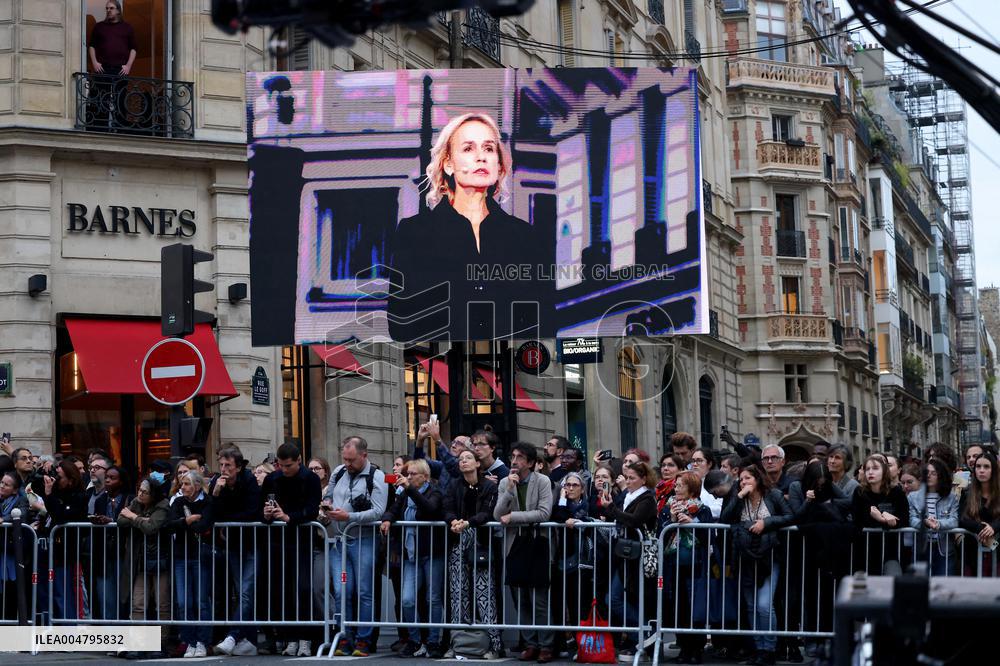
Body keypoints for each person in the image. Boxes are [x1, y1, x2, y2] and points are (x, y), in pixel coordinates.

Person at [388, 111, 549, 342]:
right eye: (468, 148)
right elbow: (400, 322)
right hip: (439, 360)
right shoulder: (415, 232)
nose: (481, 157)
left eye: (489, 148)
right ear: (448, 164)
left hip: (506, 363)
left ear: (499, 165)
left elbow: (540, 320)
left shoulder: (524, 237)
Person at [719, 465, 794, 666]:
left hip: (769, 558)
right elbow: (726, 518)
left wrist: (767, 523)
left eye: (748, 478)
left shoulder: (774, 495)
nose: (743, 482)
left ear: (758, 479)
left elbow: (790, 516)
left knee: (763, 605)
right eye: (741, 479)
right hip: (745, 558)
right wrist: (739, 496)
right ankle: (758, 648)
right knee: (751, 605)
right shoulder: (738, 498)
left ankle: (769, 649)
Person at [324, 436, 386, 658]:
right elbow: (329, 496)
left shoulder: (376, 476)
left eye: (352, 460)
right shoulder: (338, 472)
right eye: (345, 459)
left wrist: (349, 515)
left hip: (364, 541)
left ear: (364, 455)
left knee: (364, 591)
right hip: (339, 541)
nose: (348, 464)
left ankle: (364, 639)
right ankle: (344, 636)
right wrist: (327, 507)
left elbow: (379, 511)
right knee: (341, 591)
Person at [494, 443, 554, 663]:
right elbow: (498, 514)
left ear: (530, 462)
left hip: (538, 544)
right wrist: (509, 490)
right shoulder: (504, 482)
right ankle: (530, 643)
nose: (514, 461)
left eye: (520, 457)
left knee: (539, 598)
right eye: (513, 456)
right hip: (515, 544)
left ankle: (546, 644)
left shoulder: (543, 481)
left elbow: (544, 513)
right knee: (520, 598)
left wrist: (515, 517)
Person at [379, 459, 446, 658]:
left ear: (425, 477)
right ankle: (415, 640)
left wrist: (409, 490)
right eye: (407, 474)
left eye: (413, 474)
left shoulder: (434, 491)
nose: (408, 477)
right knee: (407, 600)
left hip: (432, 554)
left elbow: (430, 509)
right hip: (411, 554)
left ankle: (433, 641)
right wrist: (387, 520)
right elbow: (392, 509)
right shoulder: (404, 495)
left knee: (432, 598)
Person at [263, 443, 323, 657]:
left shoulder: (310, 479)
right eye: (280, 465)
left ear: (299, 460)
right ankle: (289, 637)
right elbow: (264, 508)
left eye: (288, 465)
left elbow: (313, 509)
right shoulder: (273, 479)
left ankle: (306, 638)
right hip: (278, 541)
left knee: (304, 589)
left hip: (302, 540)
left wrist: (289, 517)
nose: (284, 469)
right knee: (284, 590)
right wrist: (268, 515)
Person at [442, 448, 501, 658]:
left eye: (468, 458)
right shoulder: (454, 485)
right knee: (458, 594)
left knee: (484, 594)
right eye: (460, 459)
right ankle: (457, 644)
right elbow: (446, 507)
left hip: (481, 543)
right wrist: (453, 521)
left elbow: (488, 512)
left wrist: (468, 523)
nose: (463, 461)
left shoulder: (488, 486)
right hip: (458, 541)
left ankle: (494, 644)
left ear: (478, 463)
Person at [596, 461, 657, 661]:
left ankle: (645, 634)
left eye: (632, 478)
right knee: (614, 599)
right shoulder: (628, 495)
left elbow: (634, 520)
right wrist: (607, 505)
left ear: (643, 479)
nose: (628, 481)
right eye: (627, 477)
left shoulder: (647, 498)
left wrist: (611, 509)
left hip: (637, 556)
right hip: (624, 554)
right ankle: (642, 635)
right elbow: (616, 516)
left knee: (622, 598)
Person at [210, 445, 263, 657]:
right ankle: (247, 640)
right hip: (232, 545)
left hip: (252, 543)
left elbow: (252, 512)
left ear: (238, 467)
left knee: (246, 591)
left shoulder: (249, 480)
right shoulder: (217, 483)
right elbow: (213, 514)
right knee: (240, 592)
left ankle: (232, 635)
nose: (224, 469)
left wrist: (228, 522)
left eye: (228, 465)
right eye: (221, 465)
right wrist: (215, 493)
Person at [661, 471, 714, 664]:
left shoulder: (702, 509)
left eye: (680, 485)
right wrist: (672, 522)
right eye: (676, 485)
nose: (676, 489)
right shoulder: (668, 508)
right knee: (678, 607)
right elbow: (661, 535)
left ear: (691, 488)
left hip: (696, 565)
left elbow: (710, 538)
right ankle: (684, 647)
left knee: (695, 608)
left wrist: (693, 523)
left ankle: (696, 649)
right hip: (673, 565)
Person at [117, 476, 170, 659]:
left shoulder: (163, 504)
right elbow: (120, 520)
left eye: (145, 492)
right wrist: (139, 518)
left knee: (161, 603)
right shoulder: (136, 501)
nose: (140, 493)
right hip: (140, 560)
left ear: (153, 494)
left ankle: (161, 644)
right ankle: (139, 643)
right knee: (138, 603)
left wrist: (133, 517)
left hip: (159, 560)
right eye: (139, 489)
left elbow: (152, 527)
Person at [165, 469, 214, 658]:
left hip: (200, 555)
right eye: (182, 483)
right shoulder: (178, 502)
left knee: (201, 601)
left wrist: (185, 523)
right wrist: (187, 521)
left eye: (186, 484)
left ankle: (202, 641)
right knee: (183, 601)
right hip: (181, 555)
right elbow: (169, 525)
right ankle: (189, 641)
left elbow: (204, 525)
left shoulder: (207, 502)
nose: (183, 487)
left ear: (197, 486)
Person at [550, 471, 593, 656]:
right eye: (567, 485)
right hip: (563, 558)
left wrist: (578, 520)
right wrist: (561, 498)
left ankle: (579, 643)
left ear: (582, 489)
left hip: (582, 560)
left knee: (578, 603)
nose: (570, 489)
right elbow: (558, 517)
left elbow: (588, 520)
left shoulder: (586, 505)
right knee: (560, 601)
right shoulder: (563, 504)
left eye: (575, 485)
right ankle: (561, 643)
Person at [42, 459, 87, 620]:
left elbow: (60, 516)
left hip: (66, 553)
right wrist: (42, 471)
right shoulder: (55, 492)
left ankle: (68, 632)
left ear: (71, 479)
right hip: (50, 551)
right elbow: (34, 485)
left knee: (63, 593)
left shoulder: (79, 496)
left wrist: (49, 495)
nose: (55, 479)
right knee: (49, 593)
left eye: (59, 476)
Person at [851, 455, 908, 575]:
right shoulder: (859, 492)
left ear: (884, 471)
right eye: (867, 469)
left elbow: (904, 519)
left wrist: (892, 522)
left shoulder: (896, 492)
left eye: (875, 468)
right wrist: (882, 520)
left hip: (890, 551)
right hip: (865, 551)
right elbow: (858, 521)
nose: (870, 472)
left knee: (893, 581)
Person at [90, 464, 132, 621]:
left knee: (123, 598)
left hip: (123, 553)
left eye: (112, 478)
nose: (107, 480)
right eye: (106, 477)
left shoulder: (130, 498)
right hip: (104, 554)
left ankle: (124, 637)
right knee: (105, 597)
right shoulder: (101, 500)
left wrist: (112, 521)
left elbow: (130, 521)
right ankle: (110, 634)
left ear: (121, 481)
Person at [908, 458, 959, 576]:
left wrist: (939, 524)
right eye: (927, 473)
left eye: (933, 473)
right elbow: (911, 519)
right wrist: (925, 522)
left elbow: (954, 520)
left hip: (944, 549)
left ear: (941, 476)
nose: (929, 476)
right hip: (921, 549)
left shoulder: (951, 497)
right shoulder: (913, 496)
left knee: (944, 586)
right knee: (920, 586)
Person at [958, 450, 1000, 576]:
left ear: (993, 469)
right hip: (972, 553)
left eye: (986, 466)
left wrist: (994, 527)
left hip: (997, 552)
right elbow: (961, 519)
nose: (981, 470)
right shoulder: (967, 493)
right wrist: (979, 528)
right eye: (978, 466)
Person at [0, 471, 29, 620]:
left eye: (6, 484)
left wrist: (2, 519)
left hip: (13, 552)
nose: (2, 486)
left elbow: (20, 515)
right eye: (1, 482)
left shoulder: (21, 500)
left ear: (15, 489)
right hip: (1, 550)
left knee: (11, 591)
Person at [689, 448, 723, 518]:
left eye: (699, 461)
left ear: (709, 464)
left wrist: (698, 509)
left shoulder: (718, 484)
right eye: (693, 461)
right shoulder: (687, 483)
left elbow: (720, 509)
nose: (695, 464)